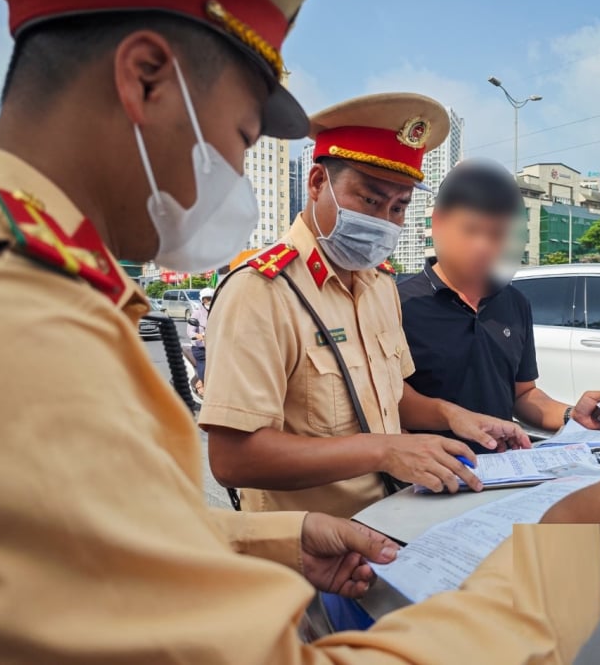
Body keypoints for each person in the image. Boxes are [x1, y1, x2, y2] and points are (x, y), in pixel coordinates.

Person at [0, 0, 600, 663]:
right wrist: (567, 559)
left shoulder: (21, 281)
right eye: (238, 140)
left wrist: (279, 533)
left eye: (399, 205)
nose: (236, 175)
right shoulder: (8, 322)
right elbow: (221, 468)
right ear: (145, 80)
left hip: (370, 538)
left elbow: (110, 539)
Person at [200, 93, 532, 518]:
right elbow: (233, 460)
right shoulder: (262, 292)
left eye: (399, 207)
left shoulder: (380, 287)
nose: (384, 222)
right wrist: (382, 450)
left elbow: (393, 397)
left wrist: (455, 415)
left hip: (390, 523)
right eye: (370, 200)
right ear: (317, 182)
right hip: (311, 550)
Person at [399, 159, 600, 452]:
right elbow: (389, 403)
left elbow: (523, 395)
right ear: (438, 224)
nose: (484, 246)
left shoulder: (515, 304)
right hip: (431, 478)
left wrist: (571, 415)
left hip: (504, 470)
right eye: (471, 231)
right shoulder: (401, 304)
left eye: (497, 234)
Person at [187, 286, 213, 394]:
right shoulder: (197, 313)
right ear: (202, 300)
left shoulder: (217, 312)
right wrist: (199, 336)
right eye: (207, 299)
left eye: (212, 298)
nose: (209, 301)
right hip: (200, 347)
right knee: (204, 362)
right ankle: (201, 383)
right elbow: (190, 332)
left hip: (214, 346)